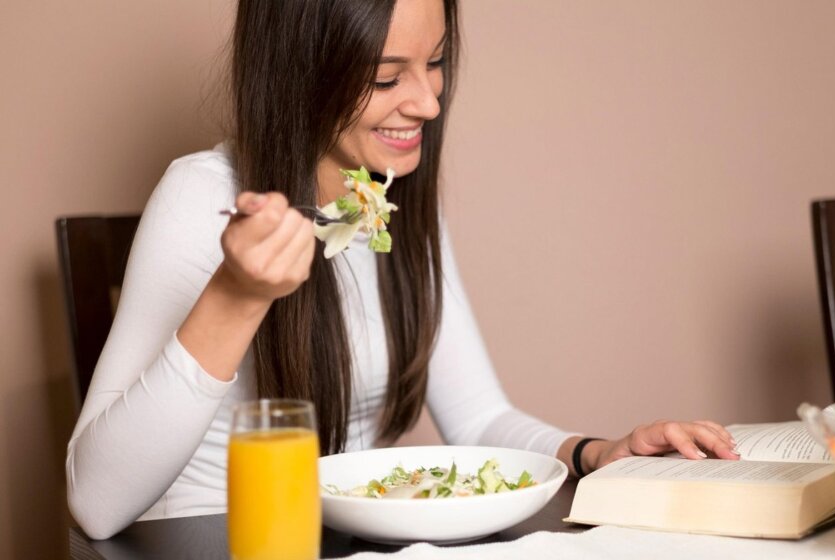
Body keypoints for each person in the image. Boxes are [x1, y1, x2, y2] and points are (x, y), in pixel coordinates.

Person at [66, 0, 740, 540]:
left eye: (437, 62)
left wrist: (597, 453)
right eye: (388, 78)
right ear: (302, 70)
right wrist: (238, 297)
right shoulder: (200, 197)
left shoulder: (389, 196)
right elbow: (94, 505)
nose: (428, 103)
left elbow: (478, 421)